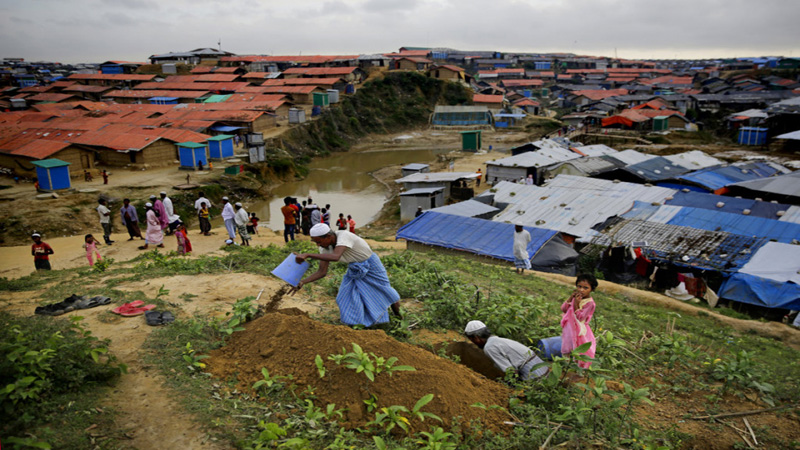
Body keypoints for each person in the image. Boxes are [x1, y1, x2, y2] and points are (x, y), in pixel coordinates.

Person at [290, 223, 401, 327]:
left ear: (328, 236)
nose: (318, 245)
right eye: (316, 242)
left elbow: (335, 257)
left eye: (319, 242)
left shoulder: (344, 236)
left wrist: (308, 254)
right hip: (354, 268)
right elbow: (322, 272)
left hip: (371, 265)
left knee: (386, 291)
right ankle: (354, 325)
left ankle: (399, 318)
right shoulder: (324, 248)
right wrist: (302, 282)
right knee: (344, 297)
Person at [464, 320, 548, 381]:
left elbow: (511, 372)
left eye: (472, 340)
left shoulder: (489, 347)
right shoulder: (498, 340)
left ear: (476, 338)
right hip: (544, 370)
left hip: (535, 375)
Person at [560, 274, 598, 369]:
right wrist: (570, 298)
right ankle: (565, 366)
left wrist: (576, 303)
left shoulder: (590, 303)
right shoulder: (575, 297)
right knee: (567, 345)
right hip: (569, 326)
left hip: (579, 328)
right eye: (579, 286)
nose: (581, 290)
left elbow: (580, 317)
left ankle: (580, 369)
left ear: (592, 289)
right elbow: (564, 309)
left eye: (586, 288)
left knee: (580, 348)